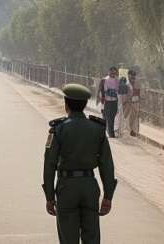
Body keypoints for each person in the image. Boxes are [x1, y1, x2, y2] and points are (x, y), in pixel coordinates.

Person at [43, 83, 117, 244]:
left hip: (67, 187)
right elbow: (107, 165)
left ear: (66, 104)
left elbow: (49, 164)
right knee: (92, 237)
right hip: (89, 186)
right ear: (84, 105)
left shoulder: (59, 129)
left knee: (68, 238)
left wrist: (49, 196)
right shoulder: (97, 129)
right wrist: (108, 196)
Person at [97, 67, 120, 138]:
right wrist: (113, 92)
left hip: (115, 101)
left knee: (112, 117)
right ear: (109, 72)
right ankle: (111, 134)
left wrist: (114, 92)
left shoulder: (117, 80)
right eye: (112, 72)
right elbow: (106, 91)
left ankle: (107, 131)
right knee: (109, 117)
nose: (113, 74)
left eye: (114, 72)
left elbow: (118, 90)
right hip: (107, 101)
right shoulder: (105, 80)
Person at [122, 70, 141, 136]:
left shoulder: (137, 83)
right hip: (127, 103)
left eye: (134, 75)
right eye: (131, 75)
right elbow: (123, 94)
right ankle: (125, 130)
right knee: (125, 116)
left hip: (135, 102)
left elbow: (139, 93)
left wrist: (138, 99)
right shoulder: (126, 84)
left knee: (135, 117)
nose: (133, 76)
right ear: (128, 75)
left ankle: (133, 130)